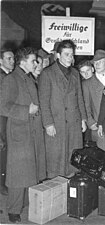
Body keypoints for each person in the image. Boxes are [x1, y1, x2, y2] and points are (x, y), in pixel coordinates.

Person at [1, 47, 46, 223]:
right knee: (17, 175)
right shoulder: (11, 79)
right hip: (19, 133)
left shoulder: (27, 78)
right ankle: (13, 210)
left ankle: (23, 205)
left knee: (29, 173)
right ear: (23, 61)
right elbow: (3, 106)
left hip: (31, 131)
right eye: (33, 60)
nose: (36, 63)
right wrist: (26, 110)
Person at [38, 39, 87, 178]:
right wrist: (48, 124)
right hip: (56, 123)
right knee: (56, 160)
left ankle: (70, 190)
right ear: (58, 55)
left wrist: (83, 119)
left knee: (72, 159)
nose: (70, 58)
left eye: (72, 55)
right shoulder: (47, 74)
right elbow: (44, 101)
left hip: (73, 123)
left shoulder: (75, 74)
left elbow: (80, 99)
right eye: (66, 54)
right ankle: (55, 190)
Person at [81, 50, 105, 150]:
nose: (97, 64)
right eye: (95, 62)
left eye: (100, 62)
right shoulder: (87, 84)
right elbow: (85, 104)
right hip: (98, 126)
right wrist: (90, 121)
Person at [0, 49, 15, 195]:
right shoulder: (2, 77)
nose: (12, 61)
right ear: (0, 61)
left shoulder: (9, 76)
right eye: (8, 59)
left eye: (13, 59)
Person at [78, 59, 94, 146]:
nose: (86, 74)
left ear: (92, 69)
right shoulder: (81, 85)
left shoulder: (101, 81)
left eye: (88, 70)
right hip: (87, 120)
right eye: (83, 72)